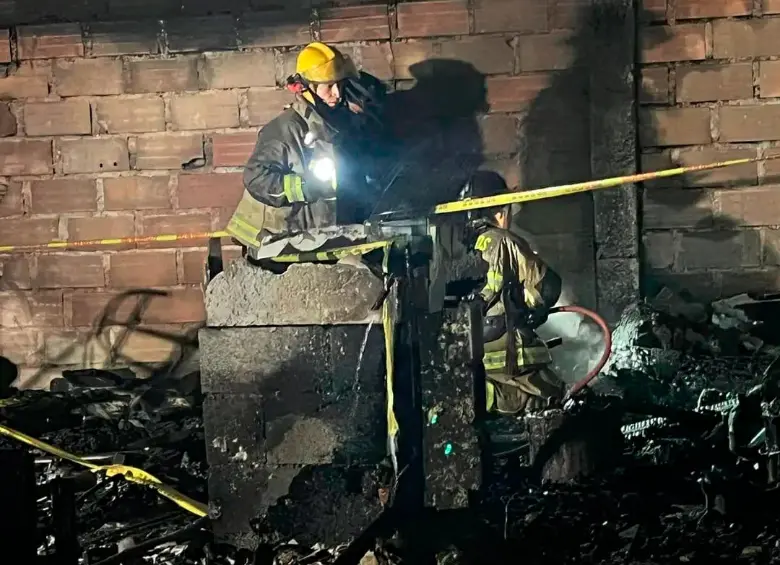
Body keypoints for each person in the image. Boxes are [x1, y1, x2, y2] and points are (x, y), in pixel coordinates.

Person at [226, 42, 386, 259]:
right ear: (305, 87)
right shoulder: (286, 129)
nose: (337, 93)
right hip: (276, 245)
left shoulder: (336, 125)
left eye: (339, 84)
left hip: (310, 241)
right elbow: (255, 177)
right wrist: (302, 186)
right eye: (328, 86)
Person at [464, 171, 566, 415]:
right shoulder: (504, 240)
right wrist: (534, 307)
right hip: (507, 345)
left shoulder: (458, 244)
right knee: (554, 399)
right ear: (499, 210)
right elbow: (543, 287)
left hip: (468, 345)